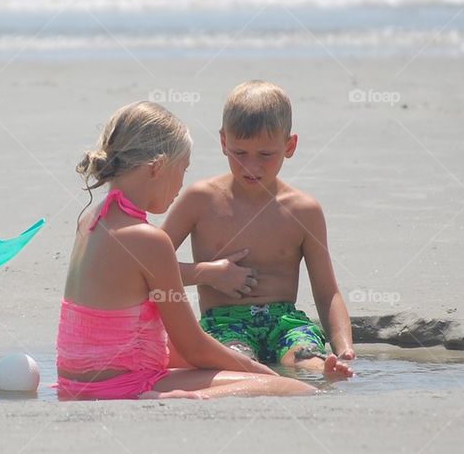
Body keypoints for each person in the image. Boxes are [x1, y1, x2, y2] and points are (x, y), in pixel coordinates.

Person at [55, 101, 352, 401]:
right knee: (295, 389)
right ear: (158, 167)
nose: (181, 185)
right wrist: (261, 373)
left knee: (244, 373)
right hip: (124, 384)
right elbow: (193, 347)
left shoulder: (91, 219)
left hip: (76, 380)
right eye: (182, 170)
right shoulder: (148, 240)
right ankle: (171, 397)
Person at [162, 81, 356, 376]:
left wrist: (344, 348)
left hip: (285, 321)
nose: (251, 166)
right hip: (225, 323)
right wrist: (207, 273)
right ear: (223, 142)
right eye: (240, 153)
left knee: (307, 359)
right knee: (239, 361)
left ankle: (324, 369)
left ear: (289, 146)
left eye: (265, 155)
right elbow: (148, 268)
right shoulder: (200, 200)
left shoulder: (304, 210)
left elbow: (327, 292)